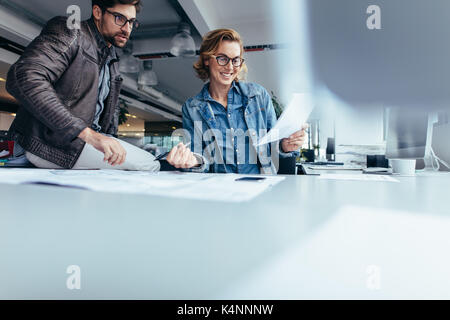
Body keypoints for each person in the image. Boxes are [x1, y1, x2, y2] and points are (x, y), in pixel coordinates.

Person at [6, 0, 203, 171]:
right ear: (98, 12)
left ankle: (190, 162)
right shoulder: (71, 32)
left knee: (142, 165)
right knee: (152, 166)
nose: (127, 28)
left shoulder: (112, 61)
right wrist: (88, 134)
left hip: (78, 147)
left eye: (132, 22)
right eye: (120, 18)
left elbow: (106, 123)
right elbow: (24, 77)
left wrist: (105, 140)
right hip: (48, 145)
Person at [181, 28, 307, 174]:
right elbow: (198, 158)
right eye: (222, 58)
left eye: (235, 60)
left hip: (260, 186)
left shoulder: (258, 95)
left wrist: (285, 145)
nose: (230, 67)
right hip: (217, 190)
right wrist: (193, 161)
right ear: (207, 60)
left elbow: (273, 145)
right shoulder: (192, 108)